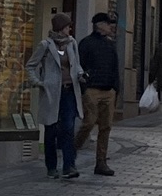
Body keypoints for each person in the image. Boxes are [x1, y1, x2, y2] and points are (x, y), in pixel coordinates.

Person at [26, 12, 84, 180]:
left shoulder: (72, 43)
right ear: (60, 28)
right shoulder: (45, 45)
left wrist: (80, 74)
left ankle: (69, 166)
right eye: (67, 26)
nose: (69, 29)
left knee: (68, 128)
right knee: (51, 129)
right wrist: (38, 82)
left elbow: (77, 65)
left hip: (69, 91)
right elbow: (30, 65)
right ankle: (51, 167)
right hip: (51, 92)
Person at [75, 12, 120, 177]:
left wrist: (116, 88)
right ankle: (72, 152)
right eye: (108, 24)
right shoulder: (86, 43)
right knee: (88, 123)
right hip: (92, 89)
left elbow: (115, 68)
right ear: (100, 25)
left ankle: (101, 162)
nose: (111, 27)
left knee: (106, 127)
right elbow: (79, 67)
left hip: (108, 90)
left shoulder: (110, 45)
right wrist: (84, 87)